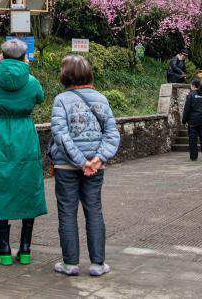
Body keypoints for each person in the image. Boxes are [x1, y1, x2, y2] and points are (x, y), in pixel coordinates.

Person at [0, 38, 47, 265]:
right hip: (24, 133)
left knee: (0, 185)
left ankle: (4, 248)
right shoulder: (32, 81)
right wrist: (26, 70)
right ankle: (25, 248)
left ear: (3, 57)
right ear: (24, 57)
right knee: (28, 184)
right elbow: (41, 98)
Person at [49, 55, 120, 278]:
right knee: (94, 211)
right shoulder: (101, 98)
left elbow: (60, 135)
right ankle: (98, 264)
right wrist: (97, 160)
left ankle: (70, 264)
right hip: (95, 168)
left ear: (65, 75)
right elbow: (112, 133)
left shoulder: (61, 100)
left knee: (67, 213)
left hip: (66, 167)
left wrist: (81, 162)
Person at [181, 80, 202, 161]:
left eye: (191, 86)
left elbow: (186, 109)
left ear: (194, 86)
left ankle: (193, 157)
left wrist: (184, 120)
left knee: (193, 139)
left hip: (193, 121)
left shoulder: (191, 96)